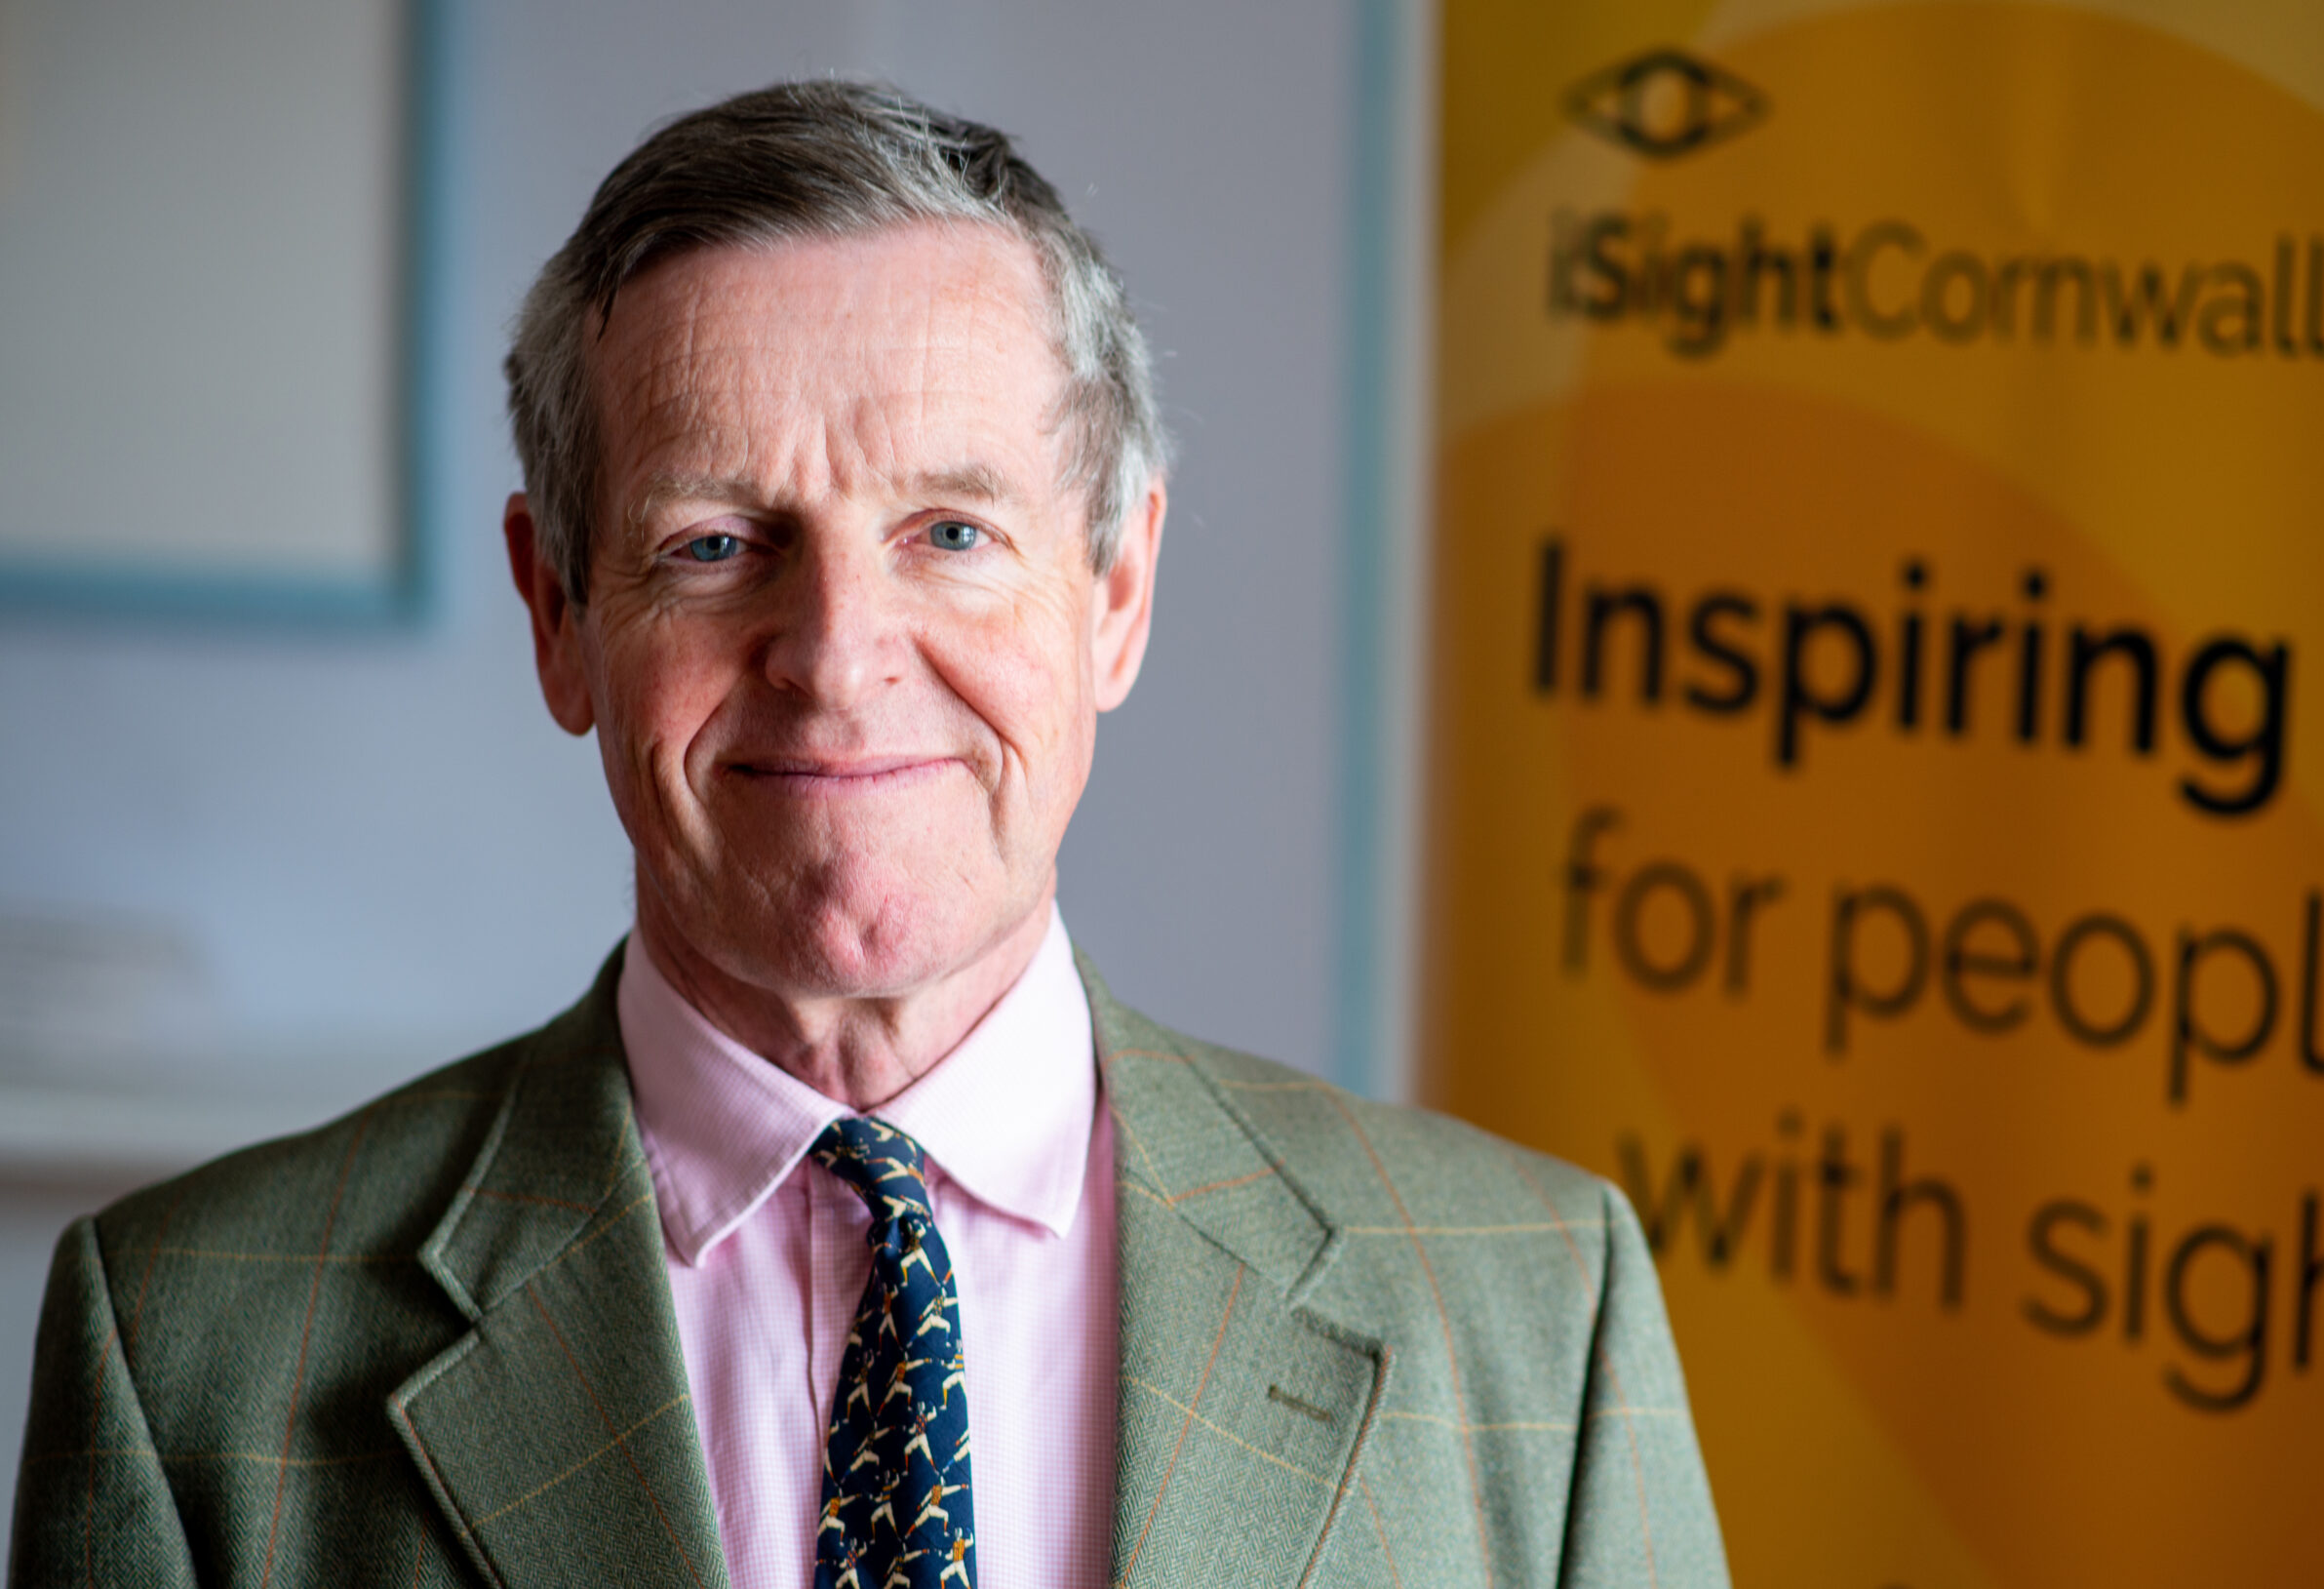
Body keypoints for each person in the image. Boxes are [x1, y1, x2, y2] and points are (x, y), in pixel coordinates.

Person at [9, 81, 1729, 1589]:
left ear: (1118, 591)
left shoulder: (1536, 1320)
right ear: (555, 613)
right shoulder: (191, 1357)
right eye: (712, 543)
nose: (837, 654)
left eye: (952, 531)